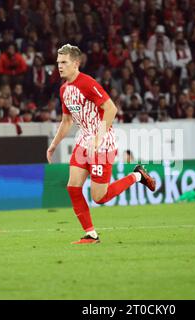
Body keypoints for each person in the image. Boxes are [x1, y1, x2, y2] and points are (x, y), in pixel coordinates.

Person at [46, 44, 156, 244]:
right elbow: (67, 121)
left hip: (102, 142)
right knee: (73, 187)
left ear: (76, 63)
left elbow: (111, 109)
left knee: (100, 197)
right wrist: (54, 144)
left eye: (64, 62)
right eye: (58, 63)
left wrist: (97, 138)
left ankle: (137, 175)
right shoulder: (64, 89)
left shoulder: (87, 83)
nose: (59, 66)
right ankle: (91, 234)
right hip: (83, 140)